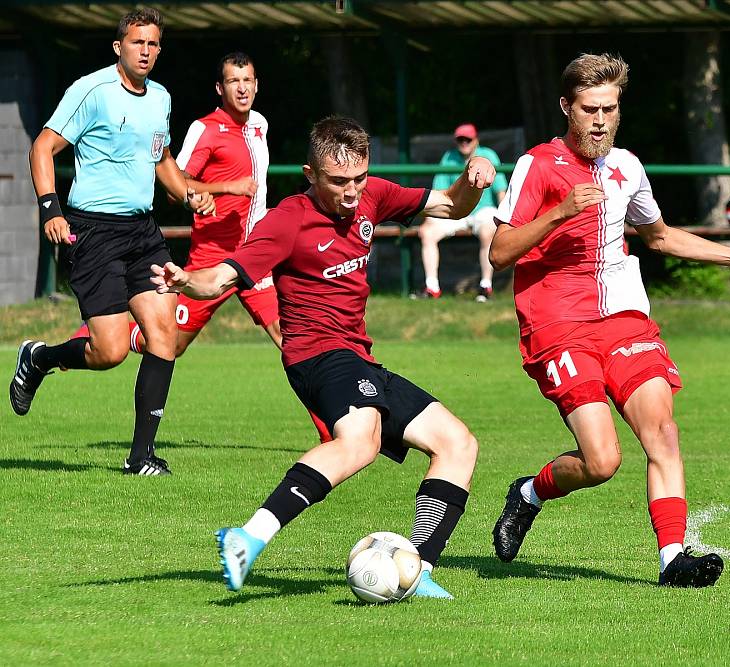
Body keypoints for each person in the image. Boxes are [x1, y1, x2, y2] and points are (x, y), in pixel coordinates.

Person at [150, 116, 496, 598]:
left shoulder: (372, 193)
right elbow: (222, 277)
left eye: (358, 177)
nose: (352, 191)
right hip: (316, 354)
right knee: (360, 441)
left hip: (357, 355)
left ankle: (416, 569)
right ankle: (249, 537)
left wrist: (473, 175)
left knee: (458, 444)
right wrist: (187, 280)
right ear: (311, 174)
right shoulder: (288, 219)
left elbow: (452, 203)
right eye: (338, 182)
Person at [489, 53, 730, 587]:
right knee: (602, 461)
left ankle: (671, 559)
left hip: (625, 320)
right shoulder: (537, 165)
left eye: (609, 108)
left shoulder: (628, 166)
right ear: (567, 107)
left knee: (664, 433)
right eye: (589, 109)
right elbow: (500, 251)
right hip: (557, 323)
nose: (600, 120)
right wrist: (559, 212)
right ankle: (529, 492)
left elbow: (658, 236)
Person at [9, 7, 214, 476]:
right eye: (138, 43)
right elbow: (42, 146)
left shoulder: (160, 97)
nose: (146, 51)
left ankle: (140, 457)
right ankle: (39, 358)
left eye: (154, 44)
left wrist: (188, 196)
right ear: (119, 47)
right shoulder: (92, 91)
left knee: (165, 334)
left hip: (142, 233)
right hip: (94, 231)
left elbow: (160, 158)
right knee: (111, 351)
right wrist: (50, 209)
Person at [73, 51, 281, 354]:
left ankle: (333, 403)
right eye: (233, 81)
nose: (242, 88)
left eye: (247, 80)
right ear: (220, 89)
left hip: (253, 254)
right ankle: (95, 336)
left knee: (286, 336)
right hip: (211, 259)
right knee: (170, 343)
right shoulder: (206, 129)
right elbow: (176, 186)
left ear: (257, 85)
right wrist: (226, 188)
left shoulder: (260, 124)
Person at [417, 123, 507, 301]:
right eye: (460, 139)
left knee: (488, 231)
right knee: (426, 232)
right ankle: (432, 287)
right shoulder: (448, 157)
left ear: (476, 140)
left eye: (468, 139)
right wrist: (429, 219)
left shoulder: (488, 156)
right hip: (455, 210)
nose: (464, 143)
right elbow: (440, 193)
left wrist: (504, 220)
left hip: (483, 211)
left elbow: (500, 190)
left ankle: (485, 287)